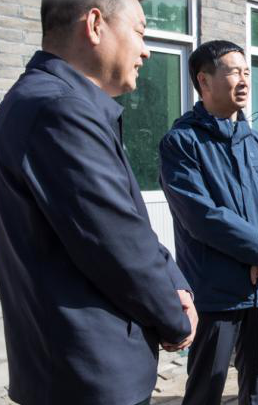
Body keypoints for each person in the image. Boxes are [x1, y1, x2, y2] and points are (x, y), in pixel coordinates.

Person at [0, 1, 197, 404]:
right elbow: (116, 244)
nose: (147, 51)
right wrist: (174, 318)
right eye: (140, 32)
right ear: (94, 24)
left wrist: (177, 285)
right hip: (90, 373)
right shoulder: (59, 109)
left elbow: (128, 221)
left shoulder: (52, 101)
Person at [159, 40, 258, 405]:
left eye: (247, 72)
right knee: (206, 388)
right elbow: (202, 216)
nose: (245, 80)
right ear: (203, 81)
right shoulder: (182, 143)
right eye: (234, 72)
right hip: (216, 292)